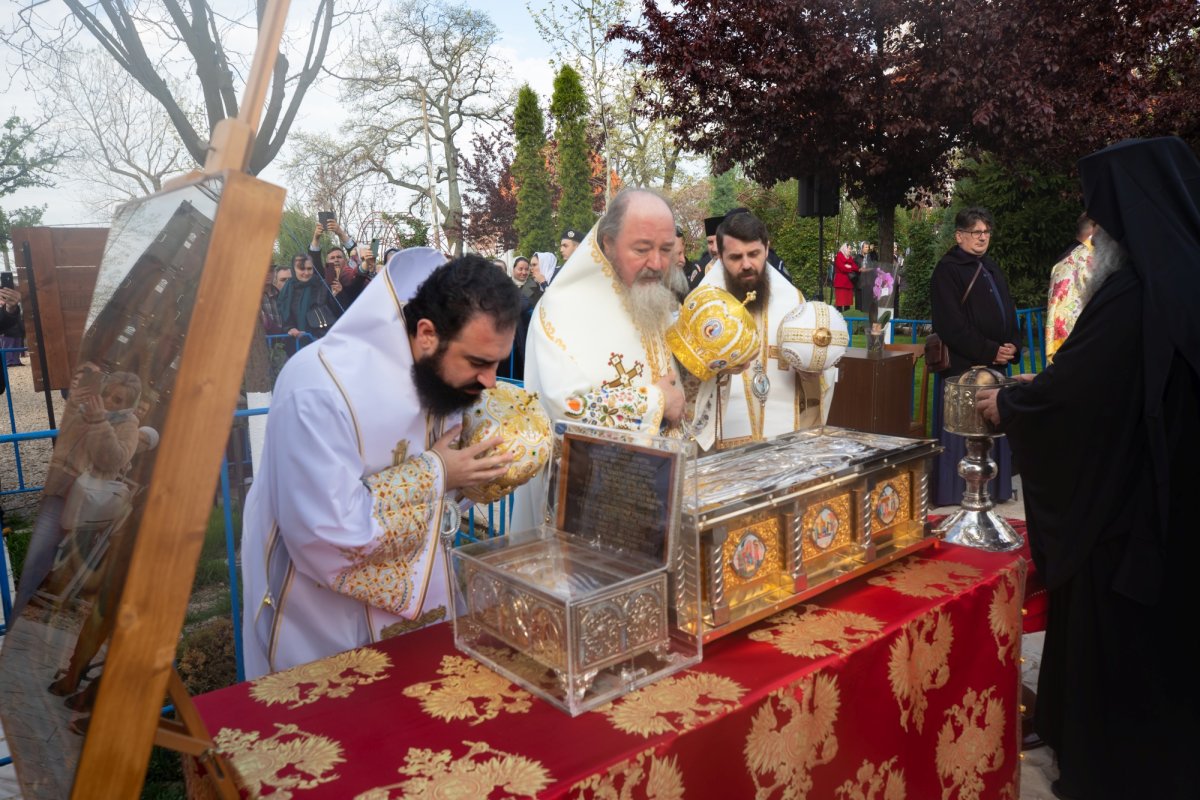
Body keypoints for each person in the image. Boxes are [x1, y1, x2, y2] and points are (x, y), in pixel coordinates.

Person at [975, 137, 1200, 800]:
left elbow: (1076, 393)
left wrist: (1009, 402)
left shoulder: (1132, 292)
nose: (1093, 234)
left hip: (1129, 515)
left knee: (1121, 643)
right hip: (1178, 502)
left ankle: (1116, 769)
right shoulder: (1184, 273)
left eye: (1100, 218)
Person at [240, 251, 524, 677]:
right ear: (426, 334)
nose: (490, 381)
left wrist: (479, 477)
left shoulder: (438, 378)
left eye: (498, 363)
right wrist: (440, 474)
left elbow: (442, 505)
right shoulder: (318, 387)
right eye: (479, 363)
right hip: (326, 625)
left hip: (426, 607)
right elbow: (326, 531)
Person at [694, 211, 834, 450]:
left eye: (754, 254)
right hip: (723, 446)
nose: (746, 264)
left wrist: (813, 373)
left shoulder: (793, 300)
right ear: (720, 255)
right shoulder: (702, 306)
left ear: (767, 249)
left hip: (783, 443)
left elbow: (818, 374)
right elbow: (686, 384)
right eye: (736, 257)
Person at [929, 207, 1019, 506]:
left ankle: (994, 489)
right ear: (959, 236)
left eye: (986, 232)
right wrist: (989, 349)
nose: (982, 238)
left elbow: (1009, 309)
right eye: (976, 232)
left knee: (992, 433)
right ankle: (958, 493)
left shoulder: (991, 267)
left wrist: (1012, 346)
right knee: (962, 435)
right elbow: (950, 325)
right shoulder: (947, 270)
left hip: (995, 366)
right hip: (963, 370)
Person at [277, 248, 342, 341]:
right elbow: (283, 314)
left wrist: (336, 295)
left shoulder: (322, 285)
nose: (306, 273)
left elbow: (334, 312)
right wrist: (290, 328)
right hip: (295, 343)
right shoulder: (287, 289)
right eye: (301, 269)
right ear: (293, 269)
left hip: (320, 340)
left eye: (309, 268)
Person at [1, 284, 24, 368]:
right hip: (7, 331)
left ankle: (16, 360)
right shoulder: (3, 306)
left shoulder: (16, 306)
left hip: (17, 330)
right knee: (8, 346)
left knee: (17, 346)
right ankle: (8, 361)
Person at [833, 242, 859, 311]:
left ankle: (847, 318)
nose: (850, 250)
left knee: (847, 303)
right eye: (849, 249)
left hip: (848, 283)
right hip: (840, 283)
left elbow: (856, 268)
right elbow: (842, 268)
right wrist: (849, 267)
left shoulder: (850, 258)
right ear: (845, 248)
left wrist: (848, 266)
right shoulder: (838, 256)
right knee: (840, 303)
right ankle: (839, 318)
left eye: (851, 249)